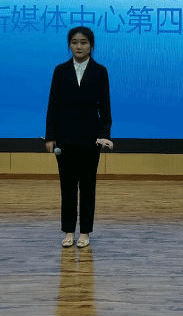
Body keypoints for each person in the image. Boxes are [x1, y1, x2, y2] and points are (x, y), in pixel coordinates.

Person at [45, 26, 113, 249]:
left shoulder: (100, 71)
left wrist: (105, 135)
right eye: (74, 42)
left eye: (83, 42)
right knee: (67, 187)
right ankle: (68, 231)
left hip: (91, 140)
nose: (79, 46)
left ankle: (84, 232)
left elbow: (105, 107)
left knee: (87, 186)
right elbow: (53, 105)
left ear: (91, 45)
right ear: (69, 45)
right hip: (65, 139)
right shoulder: (60, 70)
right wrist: (50, 136)